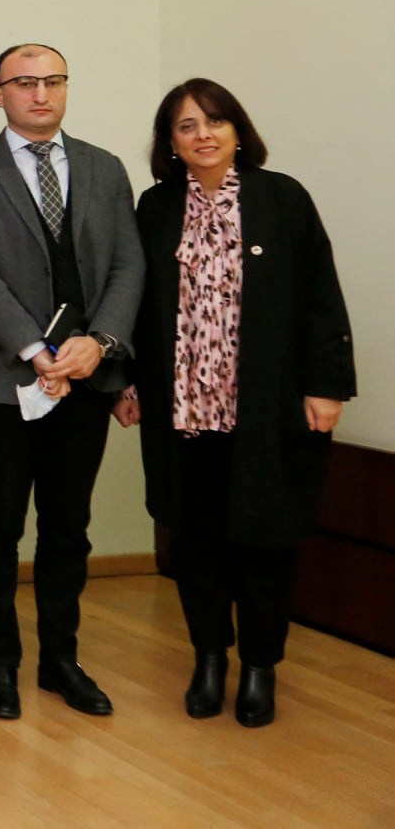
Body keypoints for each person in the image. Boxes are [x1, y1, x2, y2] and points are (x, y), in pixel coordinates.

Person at [114, 79, 352, 728]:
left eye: (215, 121)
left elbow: (319, 297)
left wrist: (326, 385)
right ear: (169, 142)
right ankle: (209, 659)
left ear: (237, 130)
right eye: (186, 125)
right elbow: (133, 301)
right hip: (182, 413)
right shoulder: (155, 207)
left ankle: (258, 667)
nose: (203, 135)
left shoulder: (282, 198)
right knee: (196, 544)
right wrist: (126, 382)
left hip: (267, 410)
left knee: (266, 542)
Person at [0, 44, 142, 720]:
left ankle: (61, 660)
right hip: (1, 379)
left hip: (87, 376)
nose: (40, 93)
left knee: (67, 526)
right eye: (24, 82)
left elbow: (128, 266)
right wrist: (35, 349)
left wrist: (99, 344)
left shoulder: (104, 167)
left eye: (53, 80)